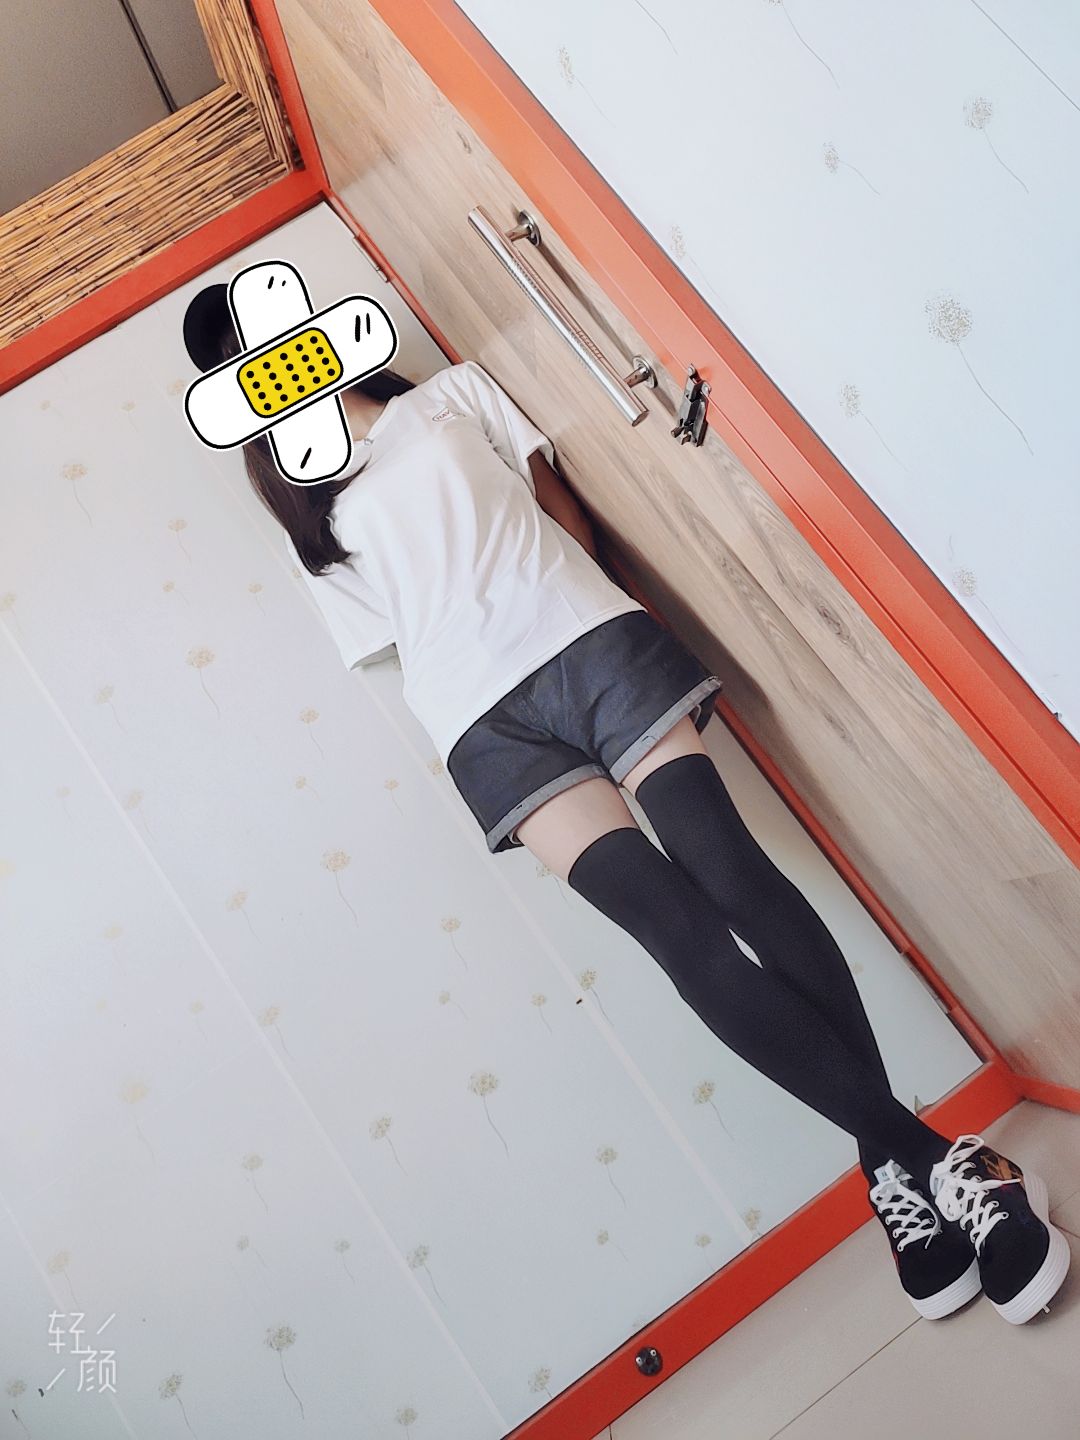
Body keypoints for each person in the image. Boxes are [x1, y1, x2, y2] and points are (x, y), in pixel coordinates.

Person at [182, 283, 1070, 1326]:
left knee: (730, 871)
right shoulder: (311, 523)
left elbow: (559, 506)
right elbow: (401, 632)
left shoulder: (451, 396)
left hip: (589, 645)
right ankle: (929, 1163)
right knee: (679, 935)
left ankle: (901, 1175)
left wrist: (597, 608)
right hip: (484, 728)